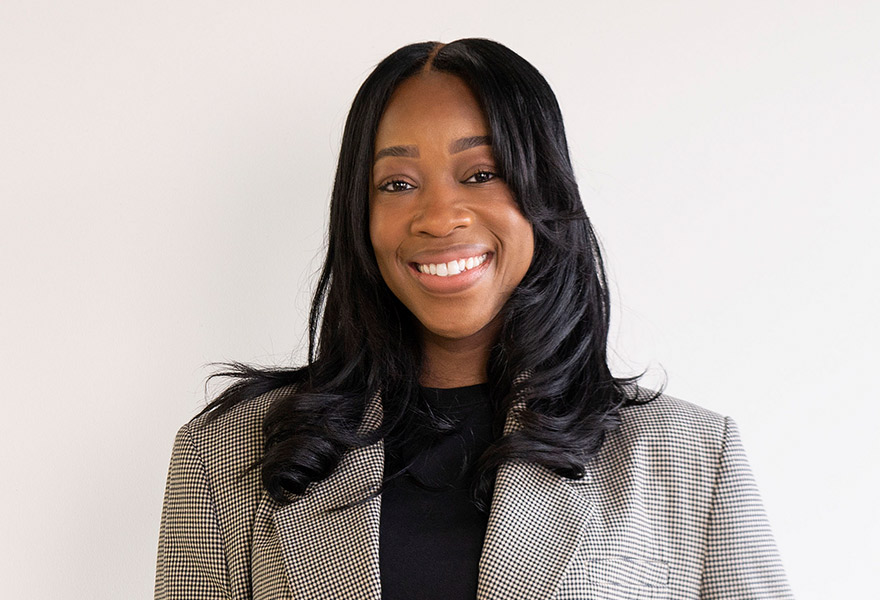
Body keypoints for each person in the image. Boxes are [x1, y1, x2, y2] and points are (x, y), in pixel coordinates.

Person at [155, 39, 793, 600]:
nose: (439, 217)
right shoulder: (226, 453)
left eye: (482, 173)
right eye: (397, 183)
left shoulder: (691, 457)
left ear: (544, 191)